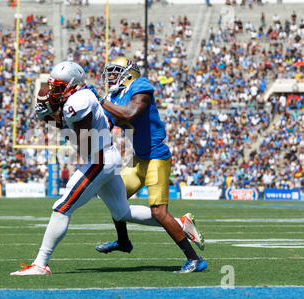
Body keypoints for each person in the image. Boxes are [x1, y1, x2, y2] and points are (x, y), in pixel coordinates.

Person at [11, 61, 205, 275]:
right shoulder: (96, 98)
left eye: (59, 86)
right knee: (122, 211)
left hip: (108, 158)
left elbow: (86, 138)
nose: (55, 91)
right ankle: (176, 225)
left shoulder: (87, 99)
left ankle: (40, 264)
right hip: (112, 156)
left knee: (62, 207)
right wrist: (54, 118)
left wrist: (56, 118)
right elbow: (101, 124)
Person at [97, 57, 207, 273]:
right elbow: (105, 123)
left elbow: (130, 113)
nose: (110, 76)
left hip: (157, 157)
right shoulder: (114, 96)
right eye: (109, 72)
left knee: (159, 212)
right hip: (139, 159)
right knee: (113, 195)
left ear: (129, 72)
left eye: (115, 71)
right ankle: (123, 242)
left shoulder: (140, 86)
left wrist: (100, 101)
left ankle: (194, 259)